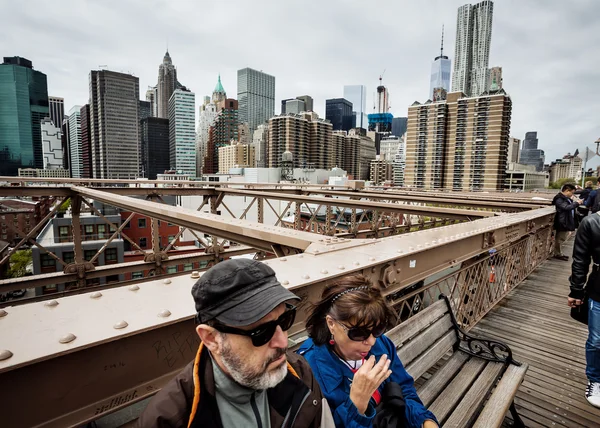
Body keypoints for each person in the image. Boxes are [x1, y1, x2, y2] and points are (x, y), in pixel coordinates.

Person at [138, 258, 334, 427]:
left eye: (284, 321)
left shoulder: (299, 373)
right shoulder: (168, 419)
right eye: (261, 332)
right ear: (211, 338)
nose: (282, 341)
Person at [298, 275, 438, 428]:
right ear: (331, 324)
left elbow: (404, 388)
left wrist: (425, 421)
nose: (371, 341)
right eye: (358, 333)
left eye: (378, 329)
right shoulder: (309, 370)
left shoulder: (381, 343)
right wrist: (357, 402)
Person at [568, 211, 600, 408]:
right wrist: (576, 291)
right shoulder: (591, 222)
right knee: (597, 340)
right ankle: (595, 379)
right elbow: (580, 260)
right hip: (598, 289)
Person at [552, 183, 581, 260]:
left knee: (562, 238)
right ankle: (557, 254)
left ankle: (559, 253)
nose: (572, 194)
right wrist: (577, 203)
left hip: (565, 221)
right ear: (567, 190)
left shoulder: (564, 198)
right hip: (562, 222)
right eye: (572, 192)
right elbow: (566, 207)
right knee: (560, 239)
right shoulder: (559, 198)